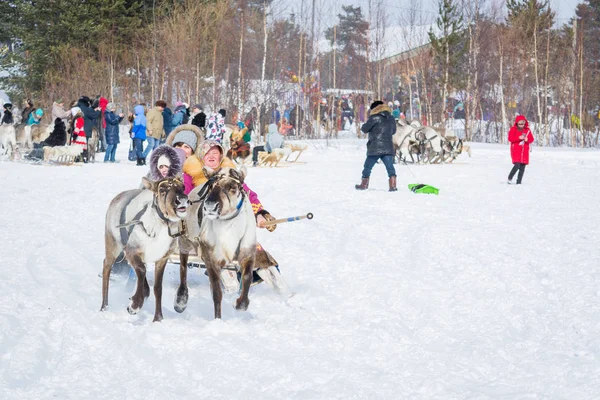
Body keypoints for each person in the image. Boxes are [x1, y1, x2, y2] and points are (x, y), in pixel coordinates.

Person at [355, 100, 397, 192]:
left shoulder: (374, 117)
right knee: (390, 168)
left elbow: (364, 129)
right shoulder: (391, 118)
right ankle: (393, 186)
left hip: (375, 148)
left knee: (367, 167)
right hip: (388, 147)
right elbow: (393, 131)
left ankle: (364, 184)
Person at [507, 115, 534, 185]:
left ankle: (519, 182)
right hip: (516, 150)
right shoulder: (513, 129)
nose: (521, 125)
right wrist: (519, 138)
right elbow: (510, 138)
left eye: (523, 123)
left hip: (524, 151)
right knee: (517, 165)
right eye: (520, 124)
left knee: (522, 167)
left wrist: (527, 139)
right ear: (517, 123)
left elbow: (531, 139)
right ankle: (510, 177)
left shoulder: (527, 130)